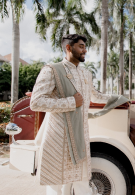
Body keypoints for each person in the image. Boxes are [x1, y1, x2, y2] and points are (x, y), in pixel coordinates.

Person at [30, 34, 112, 195]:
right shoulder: (52, 70)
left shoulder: (86, 74)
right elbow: (36, 102)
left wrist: (120, 99)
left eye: (84, 47)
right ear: (68, 47)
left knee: (82, 183)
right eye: (81, 46)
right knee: (56, 185)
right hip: (58, 138)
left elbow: (96, 95)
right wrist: (70, 102)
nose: (85, 50)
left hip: (79, 136)